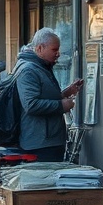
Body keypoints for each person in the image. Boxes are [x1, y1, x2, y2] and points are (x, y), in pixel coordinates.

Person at [14, 28, 83, 162]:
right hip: (40, 143)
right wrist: (61, 105)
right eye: (54, 50)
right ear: (40, 48)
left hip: (47, 140)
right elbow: (31, 104)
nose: (58, 54)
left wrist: (66, 93)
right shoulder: (29, 70)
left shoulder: (41, 67)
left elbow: (43, 97)